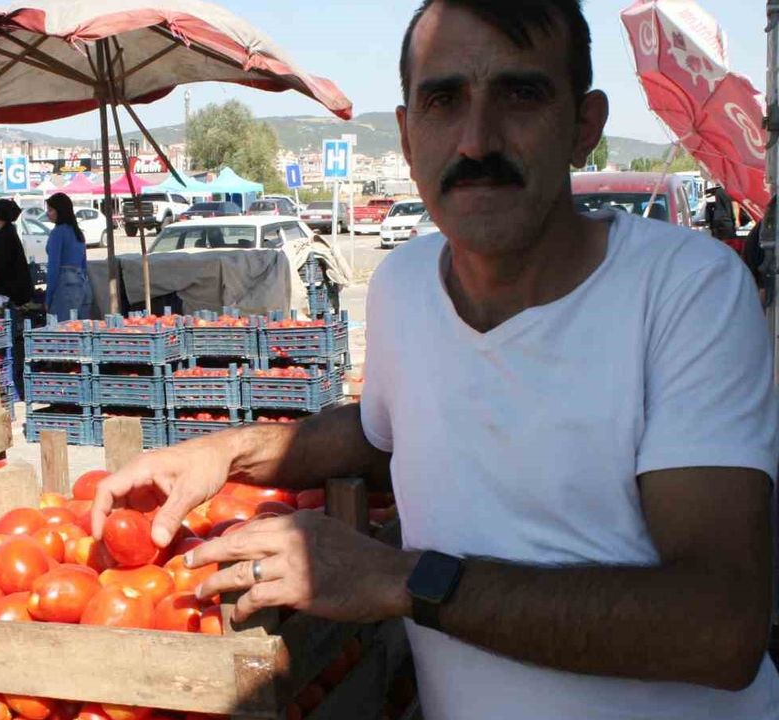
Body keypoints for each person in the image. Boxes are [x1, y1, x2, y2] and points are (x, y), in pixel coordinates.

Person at [90, 1, 779, 718]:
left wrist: (403, 580)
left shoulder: (686, 289)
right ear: (407, 134)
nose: (477, 140)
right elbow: (380, 430)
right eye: (443, 100)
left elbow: (721, 629)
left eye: (521, 94)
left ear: (585, 126)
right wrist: (228, 453)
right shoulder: (402, 285)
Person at [44, 192, 93, 320]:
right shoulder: (78, 233)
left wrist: (48, 297)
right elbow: (84, 264)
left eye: (50, 210)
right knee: (81, 331)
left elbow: (53, 267)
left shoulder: (57, 233)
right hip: (83, 285)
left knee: (63, 332)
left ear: (59, 211)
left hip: (65, 286)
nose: (47, 213)